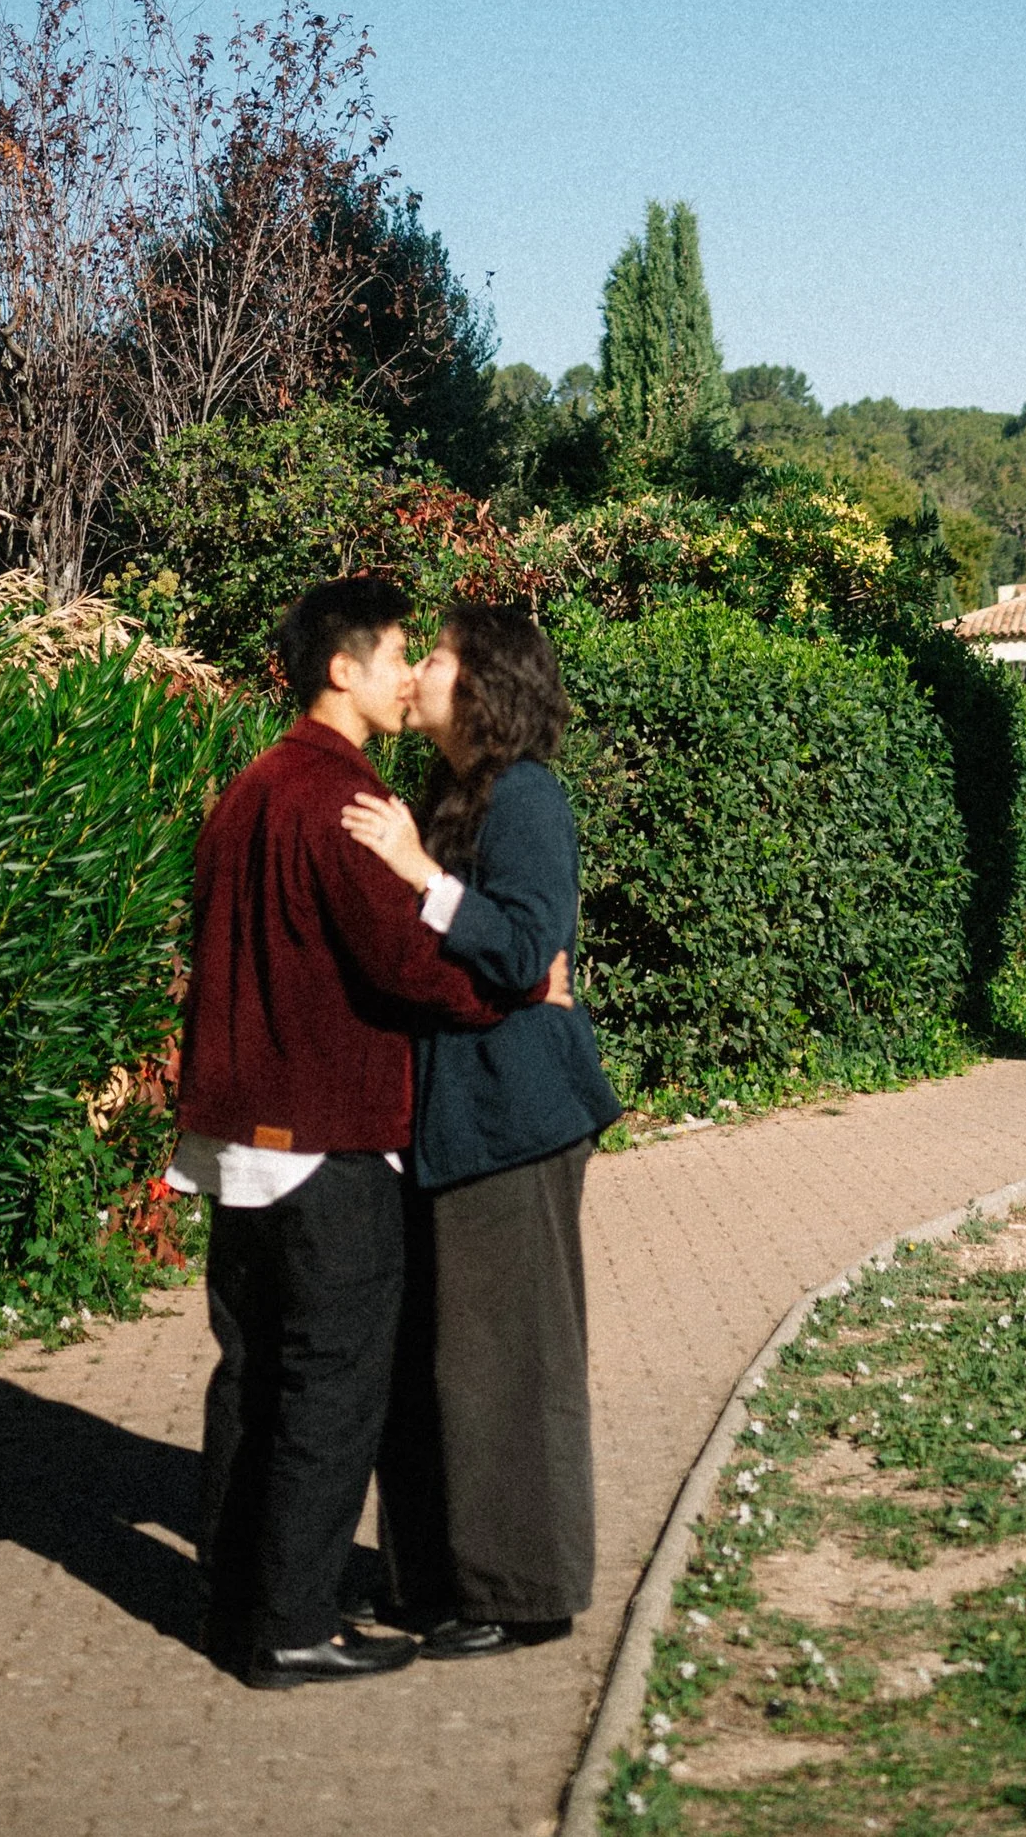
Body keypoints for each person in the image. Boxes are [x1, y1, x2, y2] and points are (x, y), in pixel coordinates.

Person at [170, 571, 506, 1691]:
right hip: (324, 1132)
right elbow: (403, 957)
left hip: (237, 1134)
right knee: (331, 1380)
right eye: (398, 651)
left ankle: (237, 1599)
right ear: (342, 668)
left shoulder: (250, 788)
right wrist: (510, 987)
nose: (410, 670)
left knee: (253, 1370)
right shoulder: (341, 796)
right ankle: (291, 1624)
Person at [343, 601, 619, 1655]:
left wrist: (422, 876)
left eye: (444, 655)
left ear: (487, 685)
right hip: (455, 1118)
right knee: (439, 1357)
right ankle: (435, 1580)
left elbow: (522, 947)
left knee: (509, 1360)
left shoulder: (528, 799)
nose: (422, 670)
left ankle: (524, 1592)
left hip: (514, 1115)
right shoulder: (456, 795)